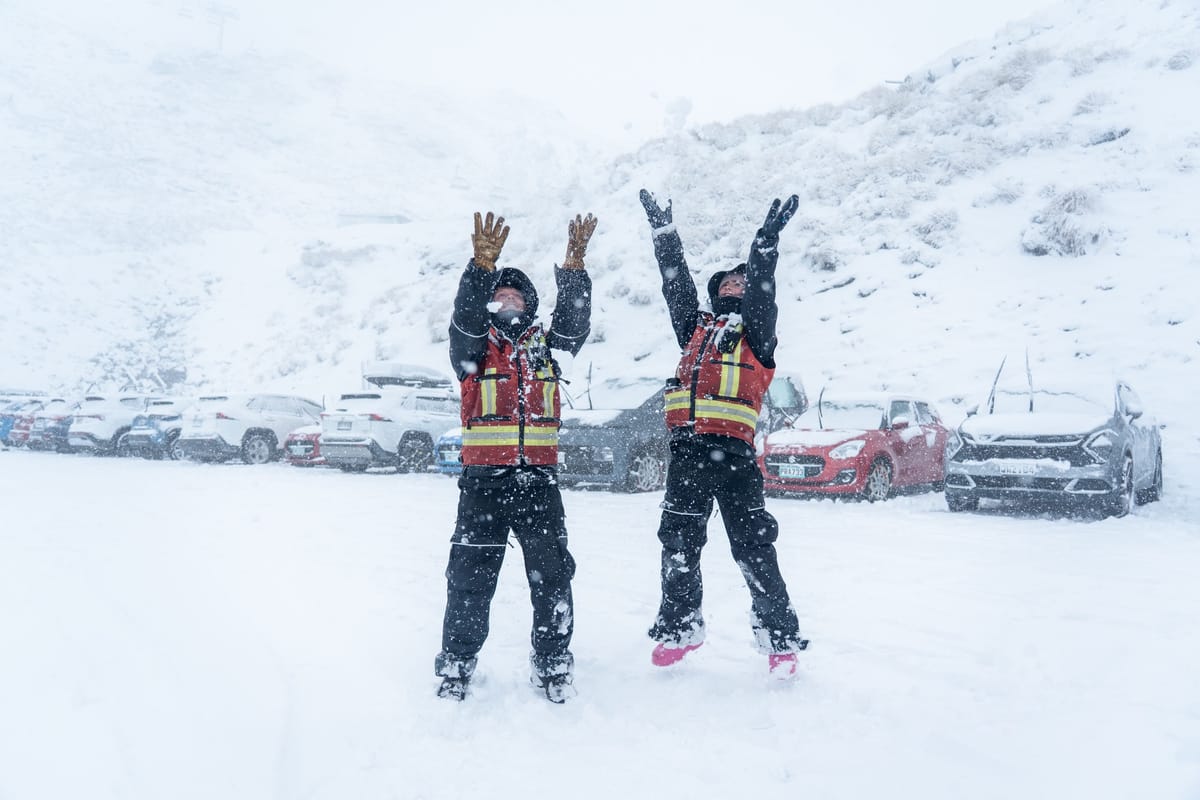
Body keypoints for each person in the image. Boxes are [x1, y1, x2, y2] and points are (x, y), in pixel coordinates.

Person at [637, 189, 809, 679]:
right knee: (678, 546)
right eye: (728, 281)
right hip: (688, 455)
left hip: (734, 458)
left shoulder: (758, 334)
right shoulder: (694, 329)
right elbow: (677, 288)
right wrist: (665, 235)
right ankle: (678, 629)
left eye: (742, 280)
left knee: (753, 546)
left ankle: (780, 640)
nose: (735, 284)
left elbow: (764, 292)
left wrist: (766, 244)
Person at [435, 209, 596, 703]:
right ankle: (457, 665)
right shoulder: (473, 348)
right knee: (469, 581)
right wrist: (478, 268)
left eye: (515, 294)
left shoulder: (549, 349)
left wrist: (574, 269)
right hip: (483, 485)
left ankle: (552, 664)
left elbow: (573, 322)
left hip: (538, 486)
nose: (506, 300)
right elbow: (463, 316)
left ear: (528, 304)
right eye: (498, 294)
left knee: (553, 581)